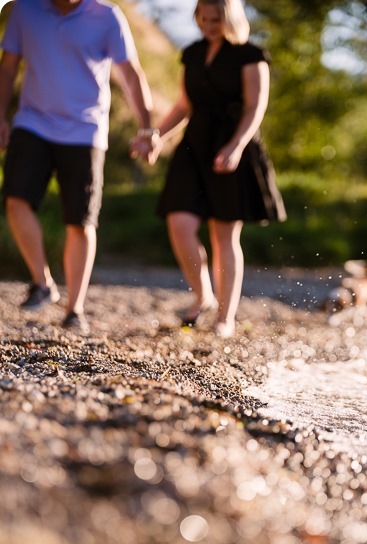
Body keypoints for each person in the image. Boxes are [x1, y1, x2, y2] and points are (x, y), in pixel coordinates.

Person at [0, 0, 157, 333]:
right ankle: (42, 282)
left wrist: (146, 127)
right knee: (15, 199)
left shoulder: (108, 16)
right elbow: (8, 65)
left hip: (85, 129)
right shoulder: (25, 10)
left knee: (81, 220)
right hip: (33, 122)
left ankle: (75, 309)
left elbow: (130, 72)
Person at [134, 0, 286, 338]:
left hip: (233, 145)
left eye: (214, 19)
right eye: (202, 19)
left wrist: (235, 146)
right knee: (179, 222)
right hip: (193, 146)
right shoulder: (192, 53)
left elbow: (254, 108)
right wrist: (156, 134)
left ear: (229, 18)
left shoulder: (251, 55)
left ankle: (224, 317)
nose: (208, 25)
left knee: (223, 235)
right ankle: (203, 296)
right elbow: (184, 105)